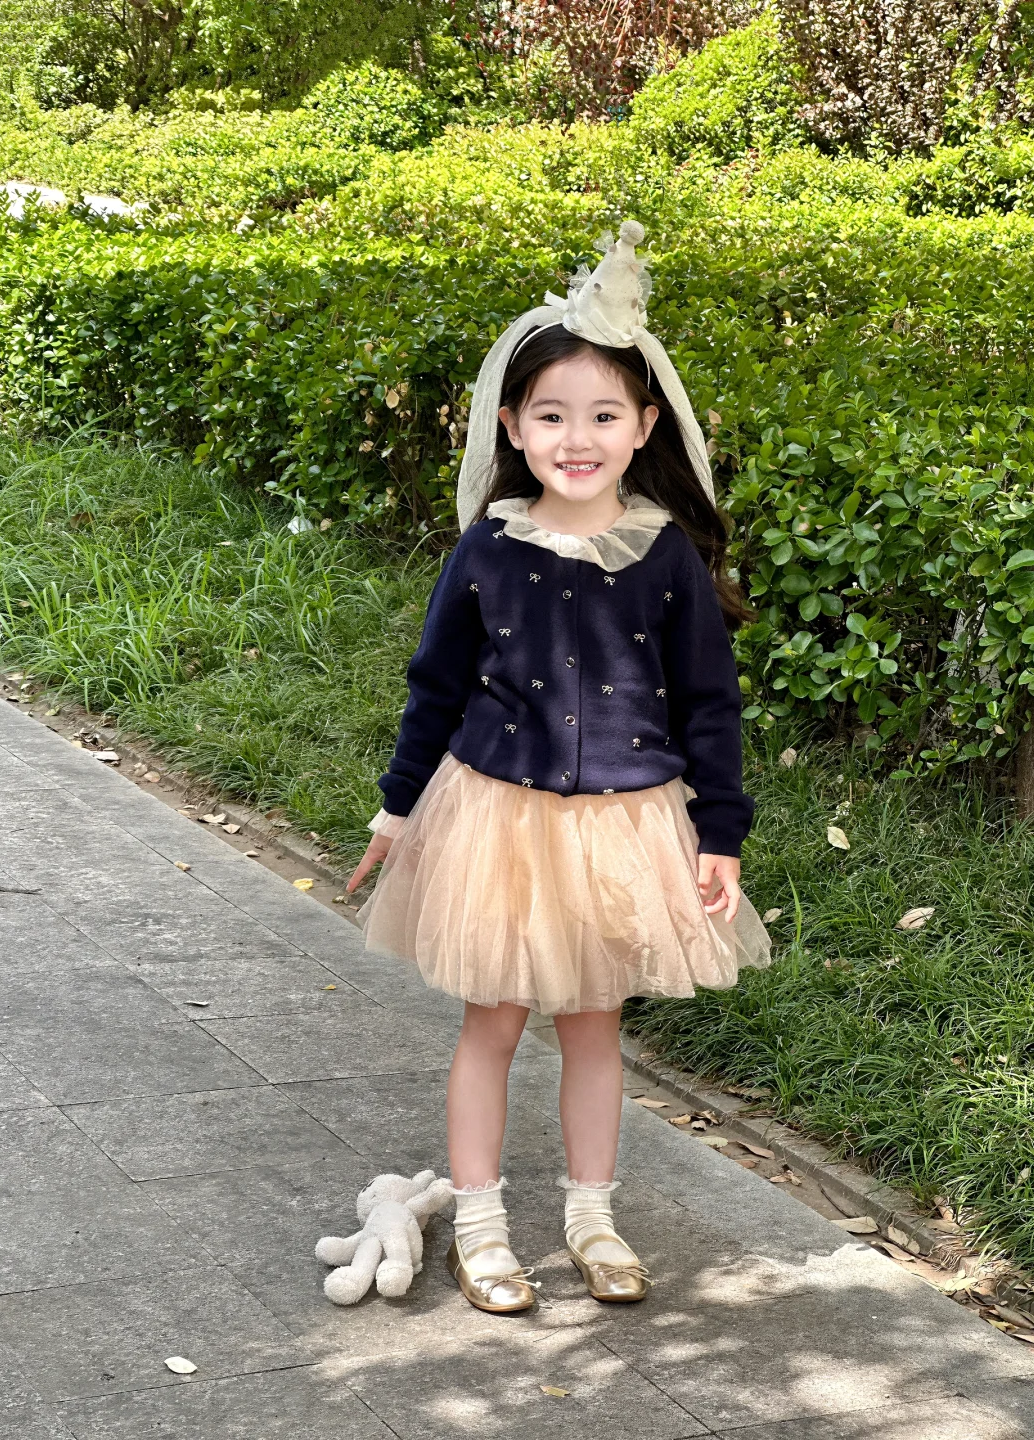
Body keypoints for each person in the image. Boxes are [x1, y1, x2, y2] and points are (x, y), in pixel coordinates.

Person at [346, 221, 771, 1314]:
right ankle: (480, 1227)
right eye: (550, 415)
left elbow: (710, 704)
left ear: (643, 428)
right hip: (496, 820)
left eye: (603, 416)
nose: (576, 438)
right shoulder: (487, 549)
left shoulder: (663, 556)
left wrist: (719, 832)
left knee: (594, 1025)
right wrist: (397, 811)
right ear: (512, 424)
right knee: (492, 1020)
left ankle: (592, 1216)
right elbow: (435, 688)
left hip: (627, 825)